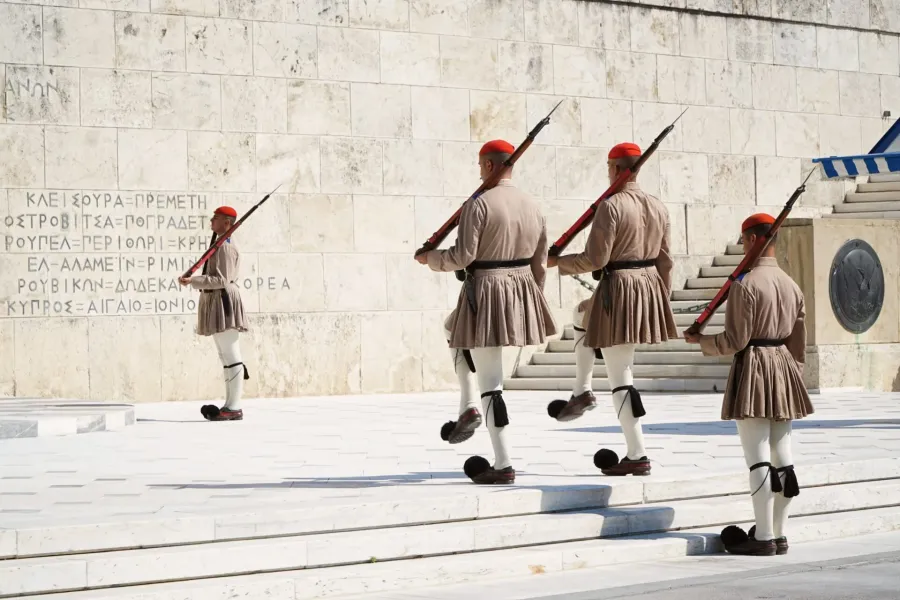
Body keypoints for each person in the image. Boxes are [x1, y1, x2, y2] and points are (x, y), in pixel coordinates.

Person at [416, 139, 557, 484]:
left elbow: (463, 257)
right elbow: (540, 262)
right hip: (521, 289)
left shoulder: (478, 204)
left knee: (491, 383)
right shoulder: (532, 205)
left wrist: (430, 259)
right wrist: (532, 299)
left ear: (491, 166)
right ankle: (467, 406)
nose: (479, 172)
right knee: (453, 330)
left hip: (487, 291)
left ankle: (503, 461)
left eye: (481, 166)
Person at [683, 212, 813, 556]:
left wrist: (702, 341)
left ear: (753, 240)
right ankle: (780, 533)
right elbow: (797, 340)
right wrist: (791, 373)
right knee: (783, 458)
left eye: (743, 241)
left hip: (755, 367)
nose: (743, 247)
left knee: (757, 459)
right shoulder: (791, 284)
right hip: (783, 366)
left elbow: (736, 340)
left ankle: (764, 537)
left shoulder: (745, 284)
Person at [547, 142, 677, 477]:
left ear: (617, 170)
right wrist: (661, 296)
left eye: (608, 168)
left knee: (621, 375)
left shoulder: (611, 206)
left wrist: (557, 262)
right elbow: (666, 260)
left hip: (620, 286)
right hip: (648, 285)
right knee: (581, 315)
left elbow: (595, 259)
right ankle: (582, 389)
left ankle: (637, 453)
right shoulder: (659, 206)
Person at [179, 206, 249, 422]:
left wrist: (194, 281)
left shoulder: (226, 247)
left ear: (227, 223)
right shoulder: (220, 244)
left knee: (231, 354)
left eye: (216, 218)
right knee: (224, 356)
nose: (211, 221)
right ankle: (229, 406)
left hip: (224, 301)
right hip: (216, 301)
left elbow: (222, 280)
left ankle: (234, 406)